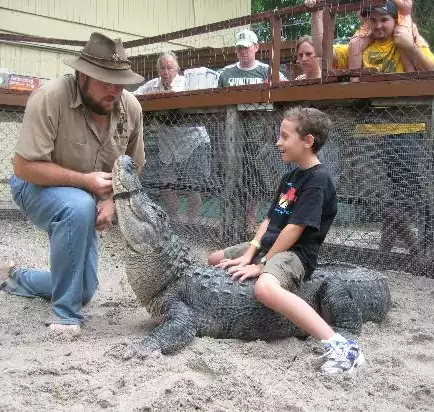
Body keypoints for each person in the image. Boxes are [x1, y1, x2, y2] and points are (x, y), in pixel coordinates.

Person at [0, 32, 146, 337]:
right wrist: (85, 181)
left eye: (120, 82)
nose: (114, 90)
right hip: (33, 185)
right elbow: (24, 166)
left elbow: (133, 167)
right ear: (83, 75)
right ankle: (66, 316)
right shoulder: (50, 97)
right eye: (106, 81)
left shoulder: (131, 108)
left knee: (84, 289)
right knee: (79, 205)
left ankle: (14, 276)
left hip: (86, 198)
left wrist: (111, 203)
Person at [207, 107, 364, 374]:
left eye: (284, 136)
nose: (277, 142)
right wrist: (250, 253)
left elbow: (294, 229)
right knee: (214, 258)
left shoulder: (319, 179)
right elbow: (269, 220)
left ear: (308, 141)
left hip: (294, 254)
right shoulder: (289, 177)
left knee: (264, 289)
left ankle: (342, 347)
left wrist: (262, 264)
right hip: (269, 246)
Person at [218, 29, 287, 233]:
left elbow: (286, 92)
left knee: (257, 182)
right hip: (233, 137)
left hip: (261, 138)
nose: (243, 51)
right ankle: (232, 224)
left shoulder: (267, 71)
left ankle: (251, 222)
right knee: (233, 180)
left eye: (247, 47)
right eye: (240, 48)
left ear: (256, 47)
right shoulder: (227, 73)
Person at [134, 52, 210, 224]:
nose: (166, 72)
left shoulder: (187, 83)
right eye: (162, 68)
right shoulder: (152, 85)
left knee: (193, 186)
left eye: (170, 67)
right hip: (168, 144)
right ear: (158, 70)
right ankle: (174, 219)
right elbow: (133, 97)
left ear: (177, 69)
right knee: (166, 184)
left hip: (192, 141)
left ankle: (191, 222)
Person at [312, 0, 434, 74]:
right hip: (367, 108)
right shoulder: (359, 45)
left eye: (384, 20)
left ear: (395, 20)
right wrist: (315, 13)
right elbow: (320, 51)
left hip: (404, 106)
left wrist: (410, 47)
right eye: (373, 20)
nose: (378, 26)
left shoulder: (408, 40)